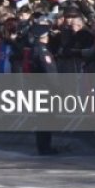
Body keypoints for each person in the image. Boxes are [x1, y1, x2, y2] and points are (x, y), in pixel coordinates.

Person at [30, 22, 59, 155]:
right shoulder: (42, 51)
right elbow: (49, 71)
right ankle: (45, 147)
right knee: (46, 119)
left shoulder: (35, 48)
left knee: (43, 118)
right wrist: (57, 88)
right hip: (45, 89)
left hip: (39, 88)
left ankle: (43, 146)